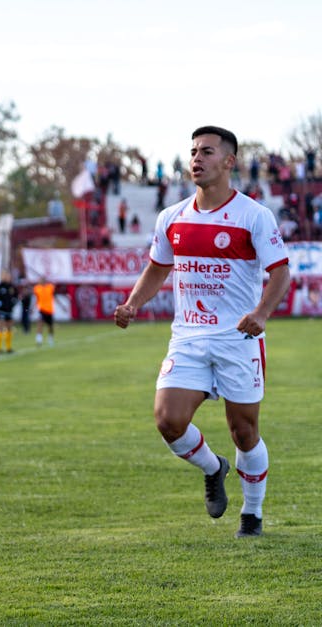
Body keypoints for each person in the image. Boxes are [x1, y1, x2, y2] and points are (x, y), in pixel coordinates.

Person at [115, 126, 290, 539]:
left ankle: (253, 513)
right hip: (188, 337)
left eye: (207, 151)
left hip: (237, 338)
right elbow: (158, 267)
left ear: (229, 161)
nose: (196, 158)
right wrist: (133, 304)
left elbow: (280, 272)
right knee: (167, 421)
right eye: (193, 151)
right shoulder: (171, 216)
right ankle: (214, 468)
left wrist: (262, 312)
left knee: (244, 432)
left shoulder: (254, 216)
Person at [0, 271, 19, 354]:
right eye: (5, 275)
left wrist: (13, 303)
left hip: (9, 310)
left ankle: (8, 348)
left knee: (9, 328)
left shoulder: (12, 287)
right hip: (1, 310)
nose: (7, 277)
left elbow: (16, 297)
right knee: (0, 327)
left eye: (8, 275)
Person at [33, 278, 56, 346]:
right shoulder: (37, 288)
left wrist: (62, 306)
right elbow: (36, 299)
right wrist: (33, 308)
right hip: (41, 309)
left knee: (50, 326)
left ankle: (50, 339)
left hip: (49, 309)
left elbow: (54, 296)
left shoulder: (50, 287)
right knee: (40, 324)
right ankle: (39, 340)